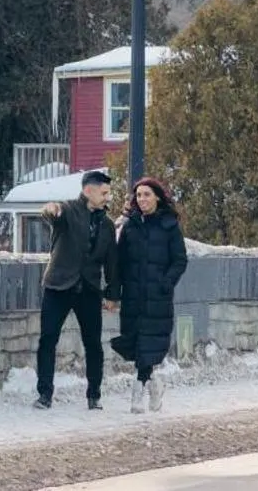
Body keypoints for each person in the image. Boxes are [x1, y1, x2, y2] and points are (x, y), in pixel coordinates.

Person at [33, 170, 118, 410]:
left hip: (89, 288)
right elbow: (52, 214)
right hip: (59, 285)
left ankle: (94, 395)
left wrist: (112, 293)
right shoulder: (68, 211)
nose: (107, 198)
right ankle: (45, 394)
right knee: (48, 339)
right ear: (88, 191)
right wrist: (49, 209)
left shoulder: (107, 225)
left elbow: (112, 261)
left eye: (108, 193)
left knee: (93, 343)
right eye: (103, 193)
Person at [109, 176, 188, 413]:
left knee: (148, 344)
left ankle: (138, 388)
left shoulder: (169, 225)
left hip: (157, 297)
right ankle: (154, 384)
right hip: (133, 296)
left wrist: (166, 283)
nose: (142, 199)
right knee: (135, 343)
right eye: (139, 195)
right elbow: (119, 261)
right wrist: (115, 292)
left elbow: (179, 260)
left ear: (157, 197)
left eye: (146, 194)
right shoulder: (131, 225)